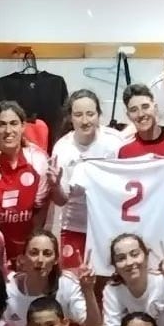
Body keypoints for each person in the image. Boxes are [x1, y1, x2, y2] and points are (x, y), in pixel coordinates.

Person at [0, 101, 55, 263]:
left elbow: (40, 209)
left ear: (23, 126)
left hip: (27, 248)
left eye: (13, 124)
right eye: (2, 125)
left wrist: (30, 250)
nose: (8, 131)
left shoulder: (38, 159)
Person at [51, 89, 126, 269]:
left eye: (90, 114)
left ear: (99, 115)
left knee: (107, 283)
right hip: (75, 226)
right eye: (78, 115)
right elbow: (61, 200)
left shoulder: (115, 142)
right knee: (72, 282)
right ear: (70, 117)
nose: (85, 121)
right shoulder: (62, 148)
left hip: (109, 225)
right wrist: (54, 186)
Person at [3, 230, 101, 326]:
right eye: (34, 253)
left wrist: (88, 290)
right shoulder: (7, 289)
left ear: (55, 260)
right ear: (22, 259)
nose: (40, 259)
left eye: (47, 254)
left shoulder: (66, 284)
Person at [117, 84, 164, 159]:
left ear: (155, 108)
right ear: (128, 115)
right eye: (134, 110)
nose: (141, 114)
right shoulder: (125, 151)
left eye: (145, 107)